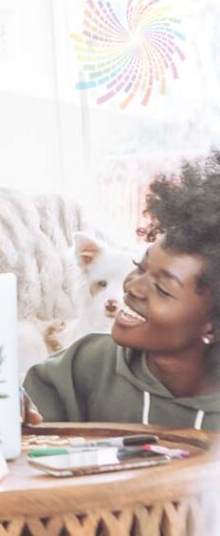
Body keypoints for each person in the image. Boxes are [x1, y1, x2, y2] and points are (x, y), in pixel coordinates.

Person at [24, 153, 220, 430]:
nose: (132, 287)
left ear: (212, 326)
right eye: (140, 267)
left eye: (163, 289)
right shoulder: (86, 363)